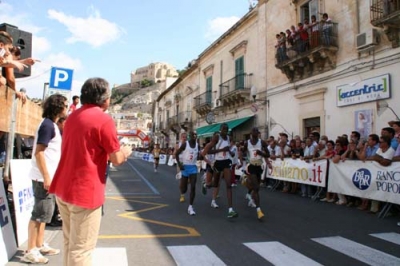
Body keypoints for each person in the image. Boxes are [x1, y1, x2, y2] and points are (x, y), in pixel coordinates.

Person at [49, 78, 132, 266]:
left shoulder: (72, 118)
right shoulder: (104, 120)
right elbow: (117, 159)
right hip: (84, 191)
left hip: (63, 187)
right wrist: (126, 151)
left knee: (70, 244)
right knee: (82, 250)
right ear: (104, 99)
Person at [21, 94, 68, 264]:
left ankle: (39, 244)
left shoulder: (50, 125)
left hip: (47, 177)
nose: (67, 107)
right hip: (43, 178)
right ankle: (31, 250)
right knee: (39, 214)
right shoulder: (48, 126)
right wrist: (47, 177)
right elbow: (39, 152)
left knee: (45, 214)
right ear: (58, 107)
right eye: (65, 105)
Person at [202, 123, 238, 219]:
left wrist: (230, 152)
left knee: (228, 185)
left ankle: (230, 210)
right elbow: (208, 151)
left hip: (226, 162)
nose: (225, 131)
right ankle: (206, 185)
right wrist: (221, 150)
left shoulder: (228, 138)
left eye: (226, 129)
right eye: (224, 129)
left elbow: (228, 150)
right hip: (218, 162)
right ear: (220, 129)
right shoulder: (216, 138)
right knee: (215, 184)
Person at [240, 127, 270, 220]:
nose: (255, 133)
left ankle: (250, 195)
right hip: (251, 166)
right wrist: (242, 161)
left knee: (256, 187)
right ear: (251, 133)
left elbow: (268, 154)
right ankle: (259, 210)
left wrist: (261, 153)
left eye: (257, 132)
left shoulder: (262, 142)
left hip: (259, 166)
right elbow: (242, 152)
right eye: (254, 131)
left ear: (258, 133)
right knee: (256, 187)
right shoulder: (247, 143)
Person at [175, 131, 200, 215]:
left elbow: (198, 155)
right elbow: (176, 154)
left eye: (196, 135)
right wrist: (179, 164)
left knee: (193, 187)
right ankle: (182, 192)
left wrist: (202, 157)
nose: (194, 136)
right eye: (193, 135)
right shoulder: (185, 144)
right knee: (184, 188)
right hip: (185, 167)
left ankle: (190, 207)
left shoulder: (197, 145)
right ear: (190, 136)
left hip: (193, 167)